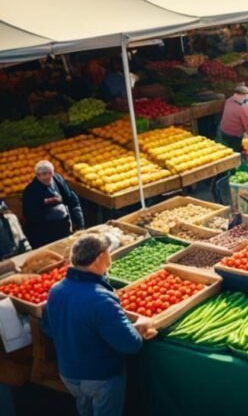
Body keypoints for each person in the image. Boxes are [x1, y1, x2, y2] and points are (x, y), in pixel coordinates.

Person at [43, 234, 157, 416]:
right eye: (108, 253)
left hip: (69, 374)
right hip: (100, 376)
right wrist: (142, 324)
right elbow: (130, 344)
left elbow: (49, 328)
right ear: (99, 258)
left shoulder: (56, 290)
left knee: (84, 409)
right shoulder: (100, 299)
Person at [22, 161, 84, 248]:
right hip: (45, 231)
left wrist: (79, 224)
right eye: (42, 174)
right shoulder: (31, 191)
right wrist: (49, 203)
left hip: (63, 225)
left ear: (53, 172)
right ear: (37, 175)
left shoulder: (58, 180)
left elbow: (72, 201)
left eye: (49, 173)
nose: (46, 177)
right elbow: (31, 216)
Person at [219, 85, 248, 152]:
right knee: (236, 152)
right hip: (234, 135)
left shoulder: (229, 100)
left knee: (227, 149)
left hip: (223, 131)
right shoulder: (244, 107)